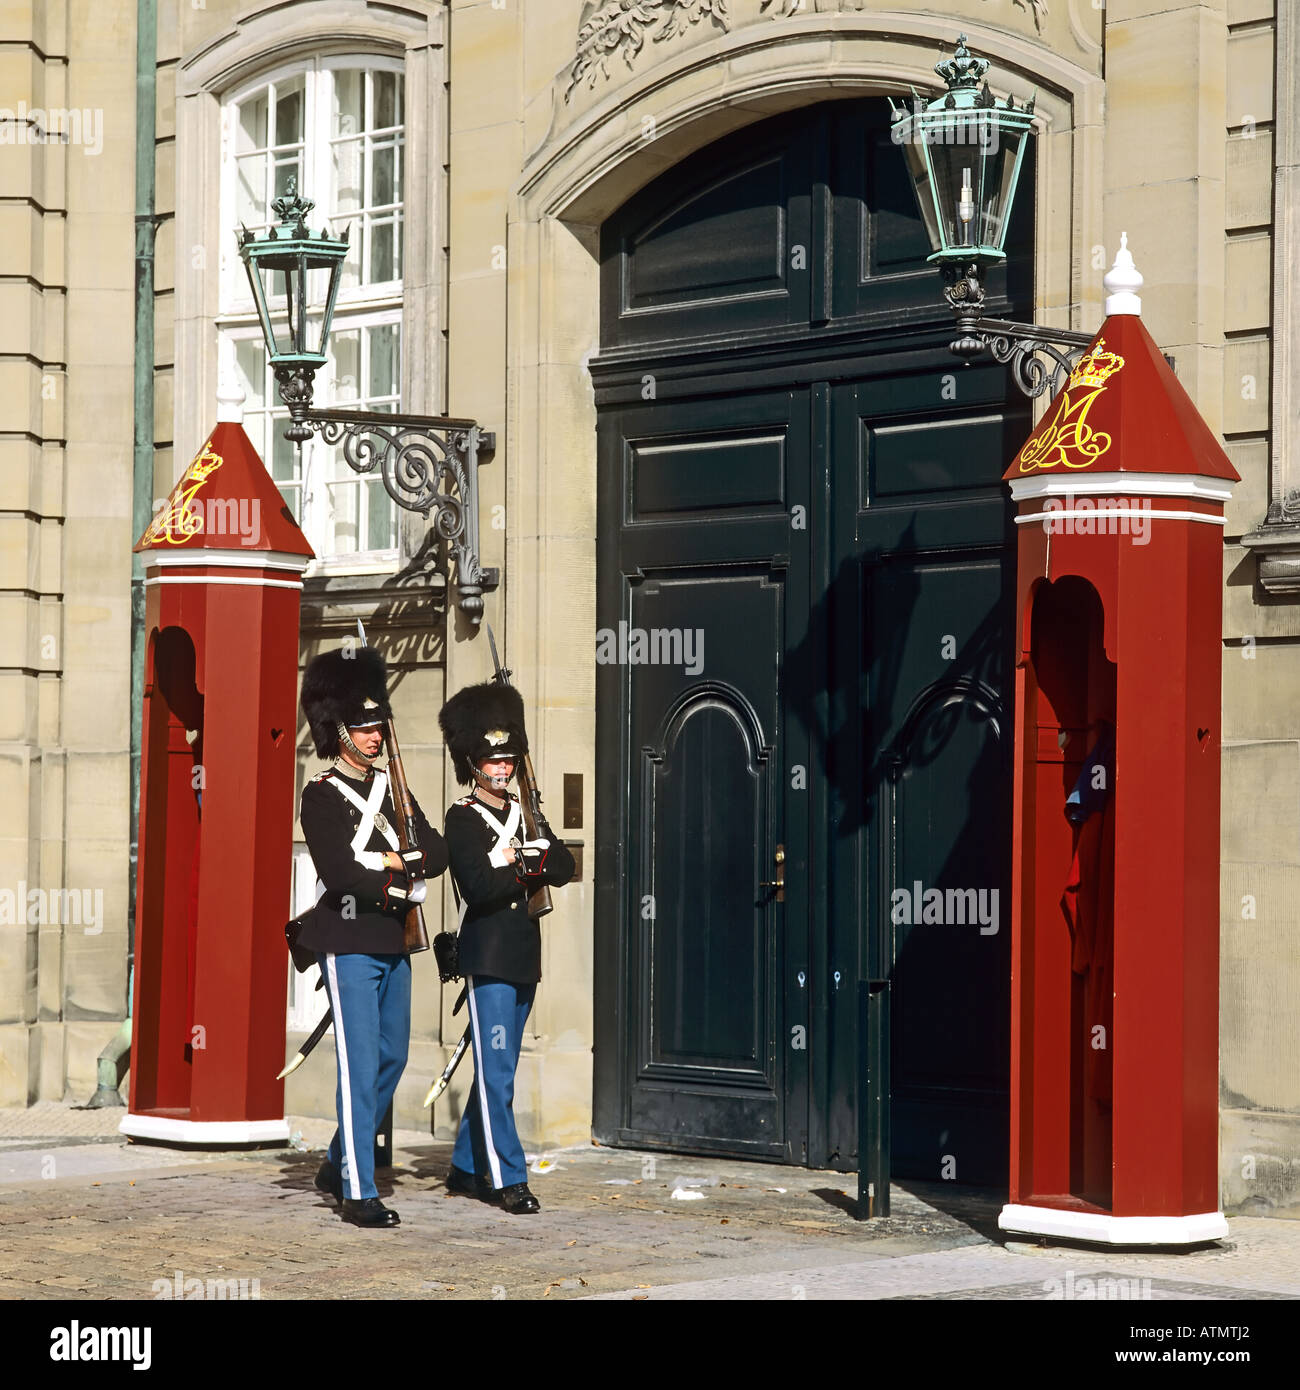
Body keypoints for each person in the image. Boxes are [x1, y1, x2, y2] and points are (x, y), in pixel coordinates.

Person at [298, 645, 447, 1228]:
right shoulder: (321, 794)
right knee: (359, 1064)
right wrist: (393, 865)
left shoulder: (393, 788)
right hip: (349, 938)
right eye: (362, 730)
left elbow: (435, 850)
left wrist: (400, 855)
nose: (374, 738)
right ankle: (357, 1191)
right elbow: (339, 874)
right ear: (339, 733)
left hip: (394, 939)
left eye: (376, 727)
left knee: (391, 1057)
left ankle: (339, 1159)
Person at [438, 680, 575, 1214]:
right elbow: (479, 886)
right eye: (491, 762)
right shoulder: (463, 817)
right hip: (488, 954)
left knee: (501, 1068)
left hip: (523, 954)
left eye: (507, 760)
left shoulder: (526, 811)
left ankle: (466, 1167)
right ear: (474, 765)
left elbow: (564, 866)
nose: (501, 769)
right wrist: (527, 864)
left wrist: (537, 857)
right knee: (497, 1072)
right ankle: (507, 1177)